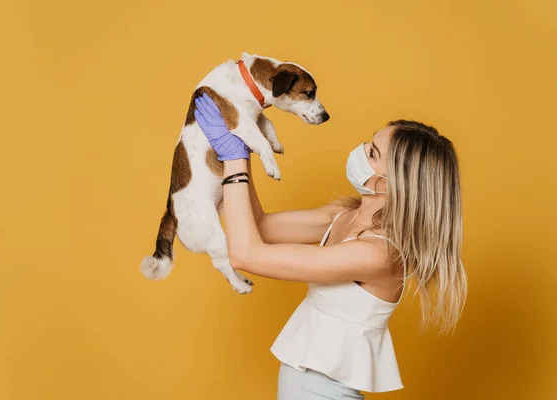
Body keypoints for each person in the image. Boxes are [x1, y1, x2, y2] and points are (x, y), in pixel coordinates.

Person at [193, 94, 467, 400]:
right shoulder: (343, 215)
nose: (362, 151)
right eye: (368, 143)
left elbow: (246, 254)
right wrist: (242, 142)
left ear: (393, 183)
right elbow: (258, 227)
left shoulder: (378, 252)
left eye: (373, 153)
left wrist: (233, 157)